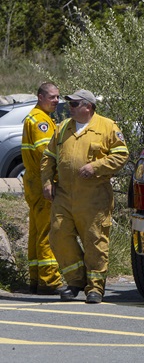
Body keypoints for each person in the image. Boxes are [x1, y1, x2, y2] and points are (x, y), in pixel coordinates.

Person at [41, 89, 129, 304]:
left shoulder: (107, 126)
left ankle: (95, 288)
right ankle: (75, 280)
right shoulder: (63, 128)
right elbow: (48, 157)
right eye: (69, 104)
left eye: (74, 104)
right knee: (58, 235)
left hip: (94, 197)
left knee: (94, 241)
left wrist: (96, 166)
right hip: (64, 195)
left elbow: (121, 155)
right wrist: (46, 182)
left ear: (88, 106)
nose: (69, 107)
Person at [21, 82, 64, 295]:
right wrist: (55, 179)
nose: (56, 100)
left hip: (33, 181)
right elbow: (45, 154)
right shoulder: (40, 121)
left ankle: (36, 278)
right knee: (47, 231)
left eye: (58, 97)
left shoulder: (39, 117)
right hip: (41, 182)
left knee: (37, 231)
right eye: (52, 97)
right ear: (40, 97)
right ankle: (49, 281)